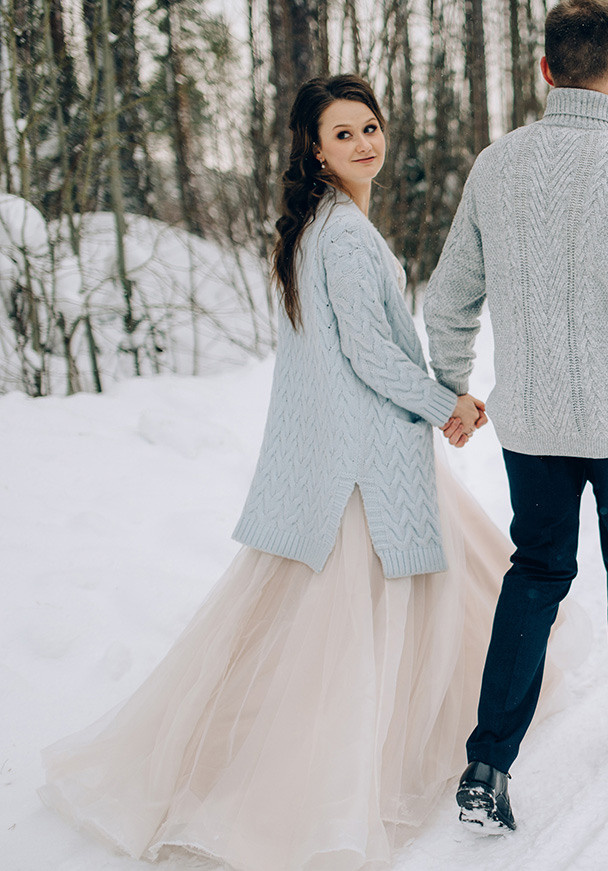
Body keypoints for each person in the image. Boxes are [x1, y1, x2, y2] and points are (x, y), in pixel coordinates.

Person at [39, 74, 536, 871]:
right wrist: (447, 401)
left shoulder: (325, 224)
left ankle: (336, 745)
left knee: (377, 608)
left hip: (355, 450)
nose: (366, 143)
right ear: (315, 148)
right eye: (344, 134)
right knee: (346, 636)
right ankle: (303, 783)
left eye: (370, 126)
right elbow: (370, 354)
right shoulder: (338, 234)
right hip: (358, 461)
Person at [424, 0, 608, 833]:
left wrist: (452, 386)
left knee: (537, 572)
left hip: (534, 425)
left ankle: (487, 764)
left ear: (546, 70)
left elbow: (448, 299)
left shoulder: (496, 167)